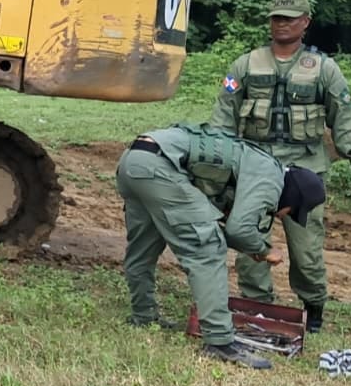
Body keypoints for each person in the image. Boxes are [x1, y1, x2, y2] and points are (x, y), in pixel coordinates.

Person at [209, 0, 351, 333]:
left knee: (306, 250)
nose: (281, 23)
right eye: (276, 17)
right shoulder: (246, 64)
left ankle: (313, 309)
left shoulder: (323, 69)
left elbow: (344, 118)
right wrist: (219, 166)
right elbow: (224, 116)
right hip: (254, 169)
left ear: (305, 22)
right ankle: (257, 307)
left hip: (304, 173)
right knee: (249, 243)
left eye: (289, 17)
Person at [115, 123, 326, 370]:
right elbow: (238, 229)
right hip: (161, 167)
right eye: (290, 212)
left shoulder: (260, 163)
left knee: (143, 248)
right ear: (293, 195)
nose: (282, 215)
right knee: (208, 247)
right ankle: (219, 341)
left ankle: (143, 316)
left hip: (135, 161)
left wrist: (251, 245)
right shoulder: (271, 178)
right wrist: (264, 250)